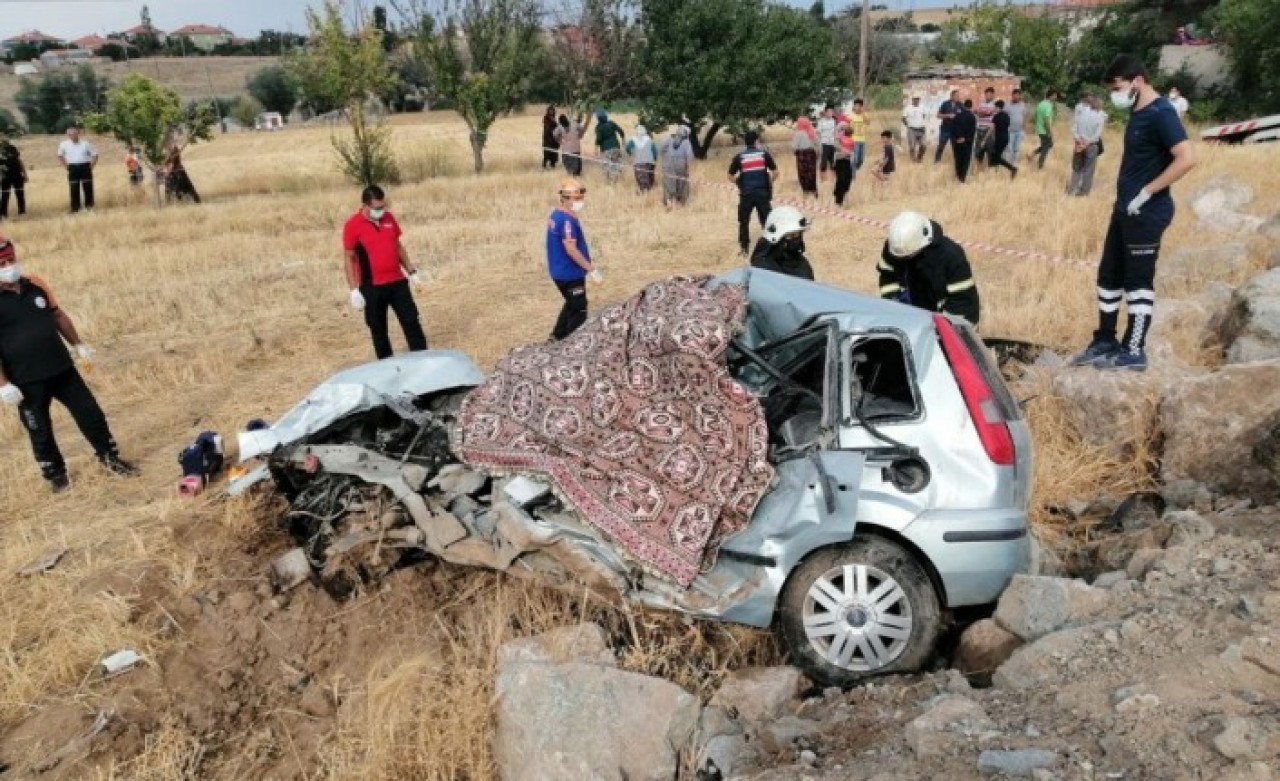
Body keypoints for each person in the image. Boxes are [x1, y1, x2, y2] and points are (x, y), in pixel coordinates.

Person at [1070, 54, 1196, 372]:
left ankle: (1134, 349)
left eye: (1119, 86)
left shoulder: (1162, 113)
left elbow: (1186, 158)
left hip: (1148, 210)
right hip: (1124, 208)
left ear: (1137, 80)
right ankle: (1105, 339)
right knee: (1108, 276)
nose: (1116, 93)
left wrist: (1148, 191)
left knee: (1138, 282)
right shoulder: (1137, 112)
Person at [0, 235, 138, 491]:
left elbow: (58, 315)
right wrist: (3, 384)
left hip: (62, 368)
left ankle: (109, 456)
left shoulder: (35, 284)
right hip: (26, 380)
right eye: (2, 263)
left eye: (10, 259)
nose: (8, 267)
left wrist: (78, 345)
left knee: (90, 413)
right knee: (39, 429)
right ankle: (56, 475)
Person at [342, 185, 428, 360]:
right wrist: (353, 290)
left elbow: (397, 246)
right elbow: (348, 258)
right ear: (365, 206)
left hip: (397, 282)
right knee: (378, 329)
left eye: (383, 206)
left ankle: (422, 359)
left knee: (412, 321)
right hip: (372, 286)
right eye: (377, 208)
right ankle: (387, 365)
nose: (381, 211)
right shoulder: (352, 226)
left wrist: (412, 272)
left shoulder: (389, 218)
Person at [877, 211, 980, 326]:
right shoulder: (897, 247)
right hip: (917, 313)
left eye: (909, 255)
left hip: (957, 320)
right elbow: (887, 276)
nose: (903, 258)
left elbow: (961, 303)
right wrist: (894, 305)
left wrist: (938, 328)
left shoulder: (951, 257)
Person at [546, 179, 597, 340]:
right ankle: (574, 344)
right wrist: (591, 269)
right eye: (576, 199)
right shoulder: (567, 221)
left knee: (570, 303)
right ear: (565, 199)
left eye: (581, 198)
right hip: (570, 274)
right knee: (579, 310)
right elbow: (571, 250)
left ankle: (557, 336)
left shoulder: (557, 214)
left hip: (559, 272)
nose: (580, 202)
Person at [728, 130, 778, 254]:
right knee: (767, 220)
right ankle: (772, 247)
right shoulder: (764, 155)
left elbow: (730, 175)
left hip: (746, 194)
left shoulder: (739, 157)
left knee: (744, 221)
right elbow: (776, 172)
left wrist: (739, 183)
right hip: (762, 194)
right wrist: (769, 182)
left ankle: (744, 249)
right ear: (756, 141)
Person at [750, 206, 814, 280]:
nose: (796, 239)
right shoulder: (763, 267)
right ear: (777, 237)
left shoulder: (801, 264)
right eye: (791, 235)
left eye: (798, 234)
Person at [1067, 94, 1105, 196]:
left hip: (1078, 144)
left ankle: (1071, 189)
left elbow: (1073, 129)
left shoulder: (1081, 113)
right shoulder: (1100, 117)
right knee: (1088, 170)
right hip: (1091, 146)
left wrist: (1079, 140)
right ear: (1099, 106)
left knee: (1076, 168)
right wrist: (1087, 142)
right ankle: (1083, 192)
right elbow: (1097, 135)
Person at [57, 126, 97, 213]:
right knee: (74, 187)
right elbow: (60, 155)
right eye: (70, 134)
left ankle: (89, 206)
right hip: (72, 167)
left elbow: (95, 155)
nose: (73, 136)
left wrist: (91, 166)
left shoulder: (85, 144)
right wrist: (65, 166)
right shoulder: (64, 144)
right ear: (68, 135)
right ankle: (75, 208)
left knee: (88, 187)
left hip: (85, 166)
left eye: (75, 134)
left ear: (78, 134)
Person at [660, 125, 694, 209]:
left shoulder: (670, 139)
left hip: (668, 164)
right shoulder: (686, 142)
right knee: (682, 184)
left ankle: (669, 203)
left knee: (668, 184)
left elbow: (661, 149)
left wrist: (665, 157)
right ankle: (680, 204)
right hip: (681, 165)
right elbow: (689, 156)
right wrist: (689, 168)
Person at [1030, 89, 1059, 170]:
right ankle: (1040, 166)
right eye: (1055, 95)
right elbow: (1047, 120)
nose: (1056, 97)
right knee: (1045, 149)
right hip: (1045, 130)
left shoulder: (1040, 104)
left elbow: (1035, 116)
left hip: (1039, 129)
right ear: (1051, 96)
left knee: (1049, 145)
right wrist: (1050, 132)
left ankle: (1033, 154)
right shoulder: (1048, 105)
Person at [594, 110, 625, 184]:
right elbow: (621, 131)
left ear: (598, 118)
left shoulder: (598, 127)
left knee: (606, 167)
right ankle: (616, 182)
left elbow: (599, 139)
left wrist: (595, 149)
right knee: (616, 165)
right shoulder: (611, 123)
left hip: (606, 149)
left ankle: (608, 183)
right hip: (616, 147)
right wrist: (623, 139)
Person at [988, 100, 1018, 178]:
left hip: (999, 138)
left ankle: (1012, 168)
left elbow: (991, 128)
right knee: (995, 155)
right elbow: (1007, 126)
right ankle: (994, 171)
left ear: (998, 107)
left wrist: (985, 139)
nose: (994, 109)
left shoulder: (996, 116)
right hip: (1006, 137)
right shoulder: (1007, 116)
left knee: (996, 156)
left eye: (995, 107)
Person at [0, 133, 27, 220]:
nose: (5, 138)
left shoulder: (13, 148)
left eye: (5, 136)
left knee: (20, 193)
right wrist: (1, 174)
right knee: (5, 195)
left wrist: (24, 173)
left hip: (17, 174)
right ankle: (3, 214)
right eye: (2, 137)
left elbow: (19, 160)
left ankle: (22, 212)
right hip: (5, 175)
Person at [625, 124, 657, 193]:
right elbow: (655, 151)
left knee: (640, 179)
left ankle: (644, 192)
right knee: (649, 177)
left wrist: (630, 153)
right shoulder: (649, 139)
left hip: (638, 162)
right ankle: (649, 191)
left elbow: (627, 148)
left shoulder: (633, 140)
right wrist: (654, 159)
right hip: (649, 162)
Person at [792, 116, 819, 197]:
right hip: (811, 154)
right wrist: (817, 154)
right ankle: (814, 190)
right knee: (812, 173)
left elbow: (794, 146)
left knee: (802, 173)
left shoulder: (798, 134)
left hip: (801, 155)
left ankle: (806, 191)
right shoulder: (812, 131)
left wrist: (794, 153)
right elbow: (817, 144)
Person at [952, 100, 977, 183]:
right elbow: (972, 131)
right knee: (965, 160)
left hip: (957, 141)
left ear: (964, 106)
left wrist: (957, 138)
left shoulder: (957, 116)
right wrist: (965, 138)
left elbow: (953, 129)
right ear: (971, 106)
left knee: (958, 159)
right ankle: (962, 178)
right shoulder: (972, 117)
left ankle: (958, 176)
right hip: (967, 142)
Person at [934, 89, 961, 164]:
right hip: (945, 129)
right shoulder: (945, 104)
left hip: (955, 130)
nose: (958, 97)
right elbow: (938, 115)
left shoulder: (960, 104)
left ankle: (958, 163)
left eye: (958, 96)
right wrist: (948, 115)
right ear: (952, 96)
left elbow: (963, 115)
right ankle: (937, 162)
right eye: (956, 96)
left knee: (956, 147)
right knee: (941, 145)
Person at [832, 124, 855, 207]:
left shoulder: (852, 141)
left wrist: (849, 153)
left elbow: (852, 151)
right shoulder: (839, 138)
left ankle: (840, 192)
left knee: (848, 178)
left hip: (847, 161)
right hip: (839, 161)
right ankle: (839, 200)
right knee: (841, 179)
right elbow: (836, 145)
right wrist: (844, 150)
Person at [974, 86, 997, 166]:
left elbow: (989, 114)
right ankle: (979, 169)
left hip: (989, 130)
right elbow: (976, 112)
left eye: (989, 95)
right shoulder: (981, 104)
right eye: (986, 94)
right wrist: (985, 113)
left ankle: (991, 170)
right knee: (979, 151)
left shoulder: (995, 105)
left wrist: (982, 113)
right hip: (979, 129)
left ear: (993, 95)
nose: (987, 96)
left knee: (990, 151)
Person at [901, 94, 928, 163]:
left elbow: (924, 116)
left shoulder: (923, 107)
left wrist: (920, 123)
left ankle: (919, 157)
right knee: (912, 146)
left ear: (919, 100)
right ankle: (913, 159)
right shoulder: (908, 108)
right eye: (915, 99)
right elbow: (903, 118)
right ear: (912, 100)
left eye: (918, 99)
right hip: (912, 129)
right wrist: (908, 125)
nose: (916, 100)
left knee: (923, 145)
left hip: (921, 129)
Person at [1006, 88, 1028, 165]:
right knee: (1009, 148)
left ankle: (1015, 164)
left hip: (1019, 131)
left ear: (1020, 96)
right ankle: (1009, 164)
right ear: (1012, 96)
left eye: (1018, 96)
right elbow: (1005, 117)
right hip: (1010, 131)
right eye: (1014, 96)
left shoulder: (1023, 105)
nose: (1016, 97)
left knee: (1017, 149)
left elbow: (1024, 117)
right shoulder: (1007, 105)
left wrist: (1024, 131)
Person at [816, 105, 837, 182]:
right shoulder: (821, 122)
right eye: (829, 111)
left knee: (833, 162)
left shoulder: (833, 121)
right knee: (823, 162)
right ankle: (823, 180)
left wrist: (836, 142)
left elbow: (835, 132)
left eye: (832, 112)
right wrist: (819, 144)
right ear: (825, 112)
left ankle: (833, 180)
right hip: (824, 143)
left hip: (832, 143)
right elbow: (818, 133)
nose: (830, 113)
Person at [849, 98, 869, 171]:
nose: (857, 107)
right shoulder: (850, 115)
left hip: (862, 140)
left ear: (862, 107)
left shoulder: (865, 115)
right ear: (854, 106)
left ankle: (855, 169)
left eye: (859, 106)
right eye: (856, 106)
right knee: (855, 158)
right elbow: (847, 127)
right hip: (854, 140)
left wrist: (862, 112)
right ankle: (852, 173)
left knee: (861, 159)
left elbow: (867, 122)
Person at [541, 105, 560, 170]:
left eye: (552, 110)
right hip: (548, 138)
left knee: (554, 154)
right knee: (546, 153)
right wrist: (553, 122)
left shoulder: (554, 118)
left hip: (554, 139)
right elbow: (547, 127)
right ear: (548, 111)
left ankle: (553, 166)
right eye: (550, 110)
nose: (551, 111)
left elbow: (557, 126)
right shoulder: (545, 118)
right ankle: (544, 167)